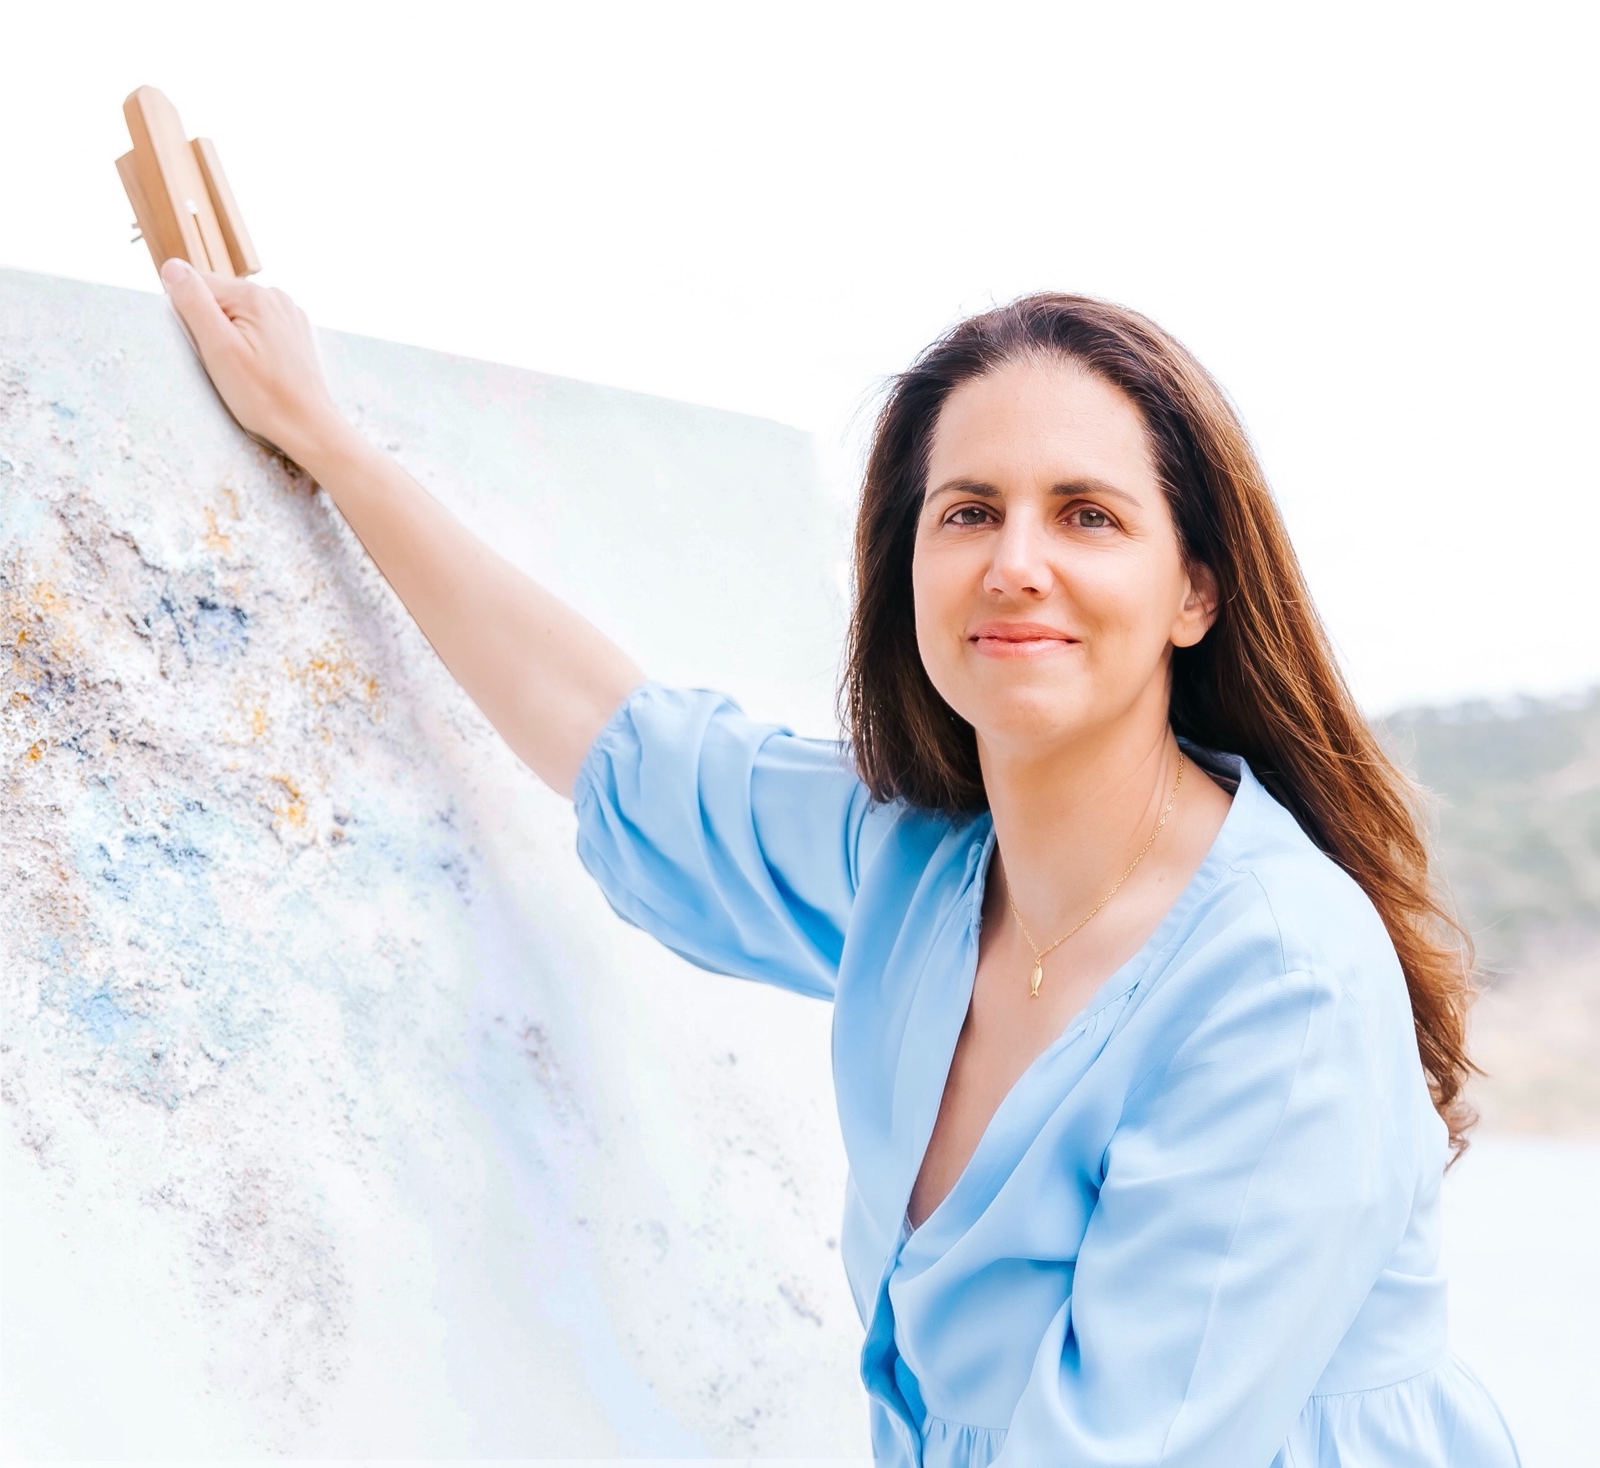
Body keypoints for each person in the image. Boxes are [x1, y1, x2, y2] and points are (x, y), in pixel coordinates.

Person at [160, 257, 1523, 1468]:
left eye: (1089, 515)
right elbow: (613, 740)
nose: (1017, 564)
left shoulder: (1276, 989)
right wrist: (335, 449)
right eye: (969, 511)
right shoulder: (921, 869)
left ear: (1196, 590)